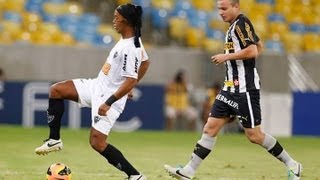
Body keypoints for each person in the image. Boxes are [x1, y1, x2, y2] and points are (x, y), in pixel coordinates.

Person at [164, 0, 302, 180]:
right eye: (218, 9)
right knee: (210, 127)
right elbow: (258, 45)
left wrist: (226, 57)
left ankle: (292, 164)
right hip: (229, 88)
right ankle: (188, 171)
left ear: (236, 7)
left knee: (254, 135)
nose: (220, 12)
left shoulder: (241, 24)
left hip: (245, 90)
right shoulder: (233, 26)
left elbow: (252, 51)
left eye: (224, 8)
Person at [35, 3, 150, 180]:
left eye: (116, 18)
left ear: (126, 21)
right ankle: (54, 139)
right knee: (56, 90)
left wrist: (109, 102)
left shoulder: (130, 48)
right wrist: (129, 86)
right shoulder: (131, 41)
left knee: (97, 143)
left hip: (108, 98)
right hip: (96, 86)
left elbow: (131, 79)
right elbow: (145, 63)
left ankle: (135, 176)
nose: (113, 21)